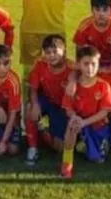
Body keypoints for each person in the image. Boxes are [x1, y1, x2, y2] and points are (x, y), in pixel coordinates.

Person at [59, 46, 111, 180]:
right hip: (78, 122)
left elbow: (104, 112)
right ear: (78, 65)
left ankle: (87, 144)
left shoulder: (103, 85)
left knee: (96, 159)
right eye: (86, 64)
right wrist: (75, 118)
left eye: (94, 64)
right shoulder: (72, 86)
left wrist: (84, 122)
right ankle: (67, 163)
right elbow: (68, 108)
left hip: (96, 125)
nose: (90, 68)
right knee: (71, 126)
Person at [25, 34, 74, 165]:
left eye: (55, 52)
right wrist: (35, 104)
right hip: (46, 100)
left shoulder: (72, 69)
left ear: (64, 52)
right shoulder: (40, 64)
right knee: (29, 109)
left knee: (58, 147)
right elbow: (33, 88)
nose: (51, 56)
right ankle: (32, 147)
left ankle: (42, 130)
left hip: (62, 108)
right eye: (48, 53)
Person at [73, 0, 111, 65]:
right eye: (97, 9)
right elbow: (80, 53)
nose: (101, 14)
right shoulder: (83, 28)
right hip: (91, 64)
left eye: (105, 10)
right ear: (92, 10)